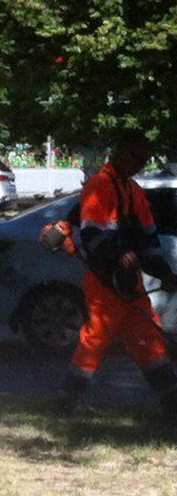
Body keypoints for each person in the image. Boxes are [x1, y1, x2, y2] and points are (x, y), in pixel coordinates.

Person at [59, 129, 177, 414]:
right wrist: (118, 257)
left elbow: (148, 241)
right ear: (121, 153)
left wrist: (164, 273)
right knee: (96, 339)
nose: (140, 164)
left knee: (148, 340)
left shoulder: (133, 191)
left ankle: (171, 404)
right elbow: (92, 234)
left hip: (129, 282)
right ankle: (67, 402)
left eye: (144, 160)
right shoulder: (100, 185)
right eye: (138, 158)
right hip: (104, 281)